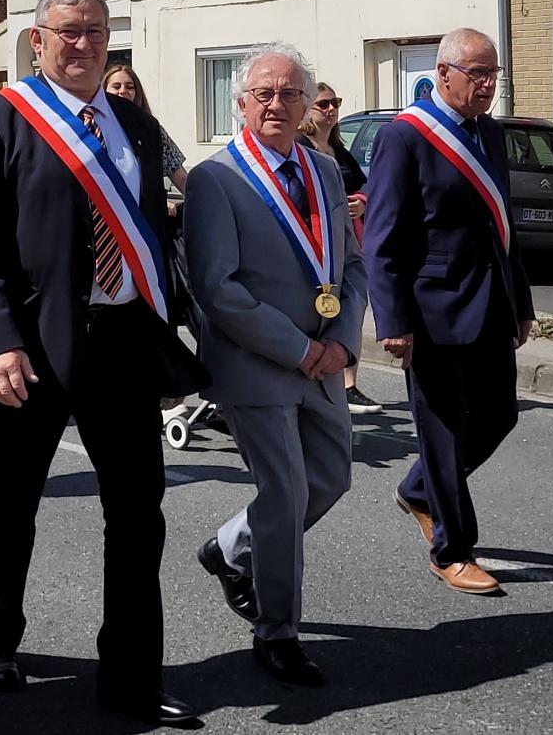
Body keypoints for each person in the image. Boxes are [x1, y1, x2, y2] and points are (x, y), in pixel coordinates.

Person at [0, 0, 200, 727]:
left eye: (94, 31)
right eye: (67, 32)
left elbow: (153, 235)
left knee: (136, 513)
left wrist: (167, 334)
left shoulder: (134, 123)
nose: (82, 44)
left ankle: (131, 677)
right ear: (38, 41)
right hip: (28, 346)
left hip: (121, 341)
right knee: (10, 495)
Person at [184, 44, 366, 688]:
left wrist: (342, 342)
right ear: (240, 103)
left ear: (308, 104)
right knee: (285, 493)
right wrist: (300, 348)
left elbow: (350, 265)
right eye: (263, 93)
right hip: (257, 362)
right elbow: (219, 288)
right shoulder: (216, 179)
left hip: (323, 358)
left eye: (291, 94)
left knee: (331, 478)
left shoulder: (323, 171)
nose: (276, 105)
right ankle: (278, 631)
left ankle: (229, 548)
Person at [363, 28, 534, 596]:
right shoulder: (404, 136)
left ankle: (418, 491)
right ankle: (452, 548)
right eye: (477, 74)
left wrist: (521, 301)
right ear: (443, 73)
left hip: (490, 302)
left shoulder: (490, 133)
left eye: (493, 75)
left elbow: (501, 227)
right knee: (440, 431)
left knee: (498, 416)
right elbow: (383, 234)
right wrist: (393, 320)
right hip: (430, 308)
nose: (487, 86)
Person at [304, 83, 383, 415]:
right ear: (308, 109)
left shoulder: (338, 148)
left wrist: (361, 203)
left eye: (335, 103)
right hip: (317, 247)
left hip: (350, 243)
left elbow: (366, 185)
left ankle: (349, 385)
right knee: (322, 312)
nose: (331, 110)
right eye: (323, 104)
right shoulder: (300, 147)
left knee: (351, 307)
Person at [103, 64, 188, 195]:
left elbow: (182, 179)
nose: (123, 90)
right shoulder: (93, 126)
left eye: (130, 87)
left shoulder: (153, 131)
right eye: (116, 86)